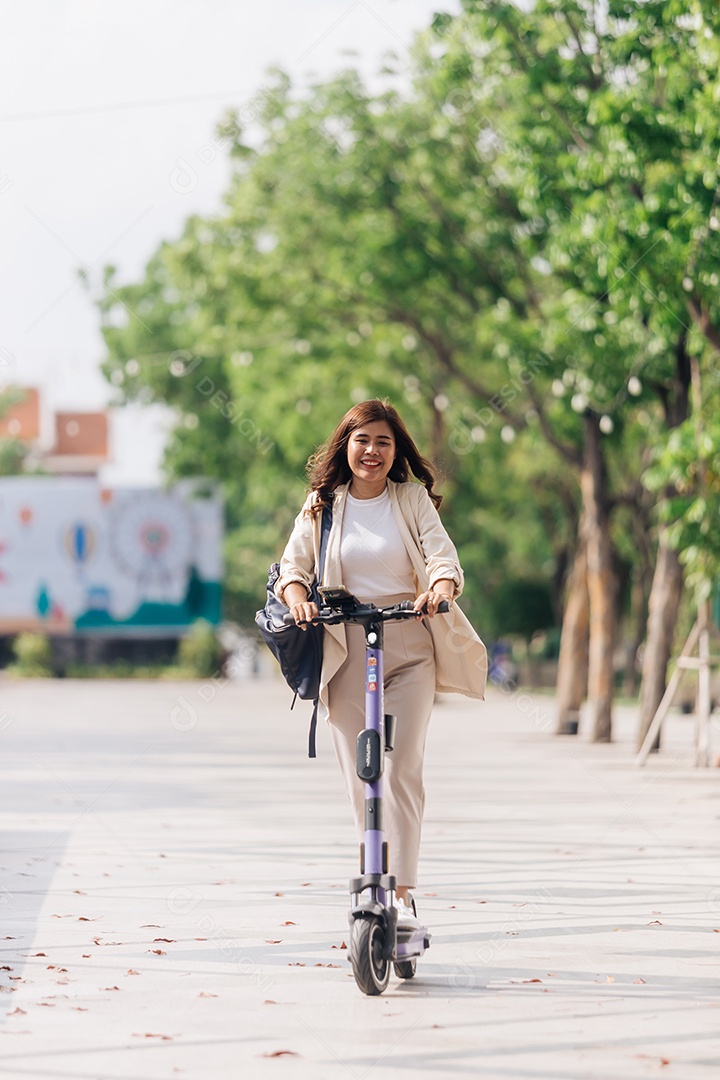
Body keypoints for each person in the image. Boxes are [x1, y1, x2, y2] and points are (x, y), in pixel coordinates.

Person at [275, 399, 487, 929]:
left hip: (408, 645)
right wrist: (298, 599)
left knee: (401, 768)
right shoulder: (321, 504)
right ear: (345, 445)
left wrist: (440, 589)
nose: (372, 451)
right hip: (346, 651)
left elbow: (441, 556)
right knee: (363, 776)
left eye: (383, 442)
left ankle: (403, 895)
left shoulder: (411, 499)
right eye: (362, 440)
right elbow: (292, 568)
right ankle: (374, 880)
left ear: (396, 452)